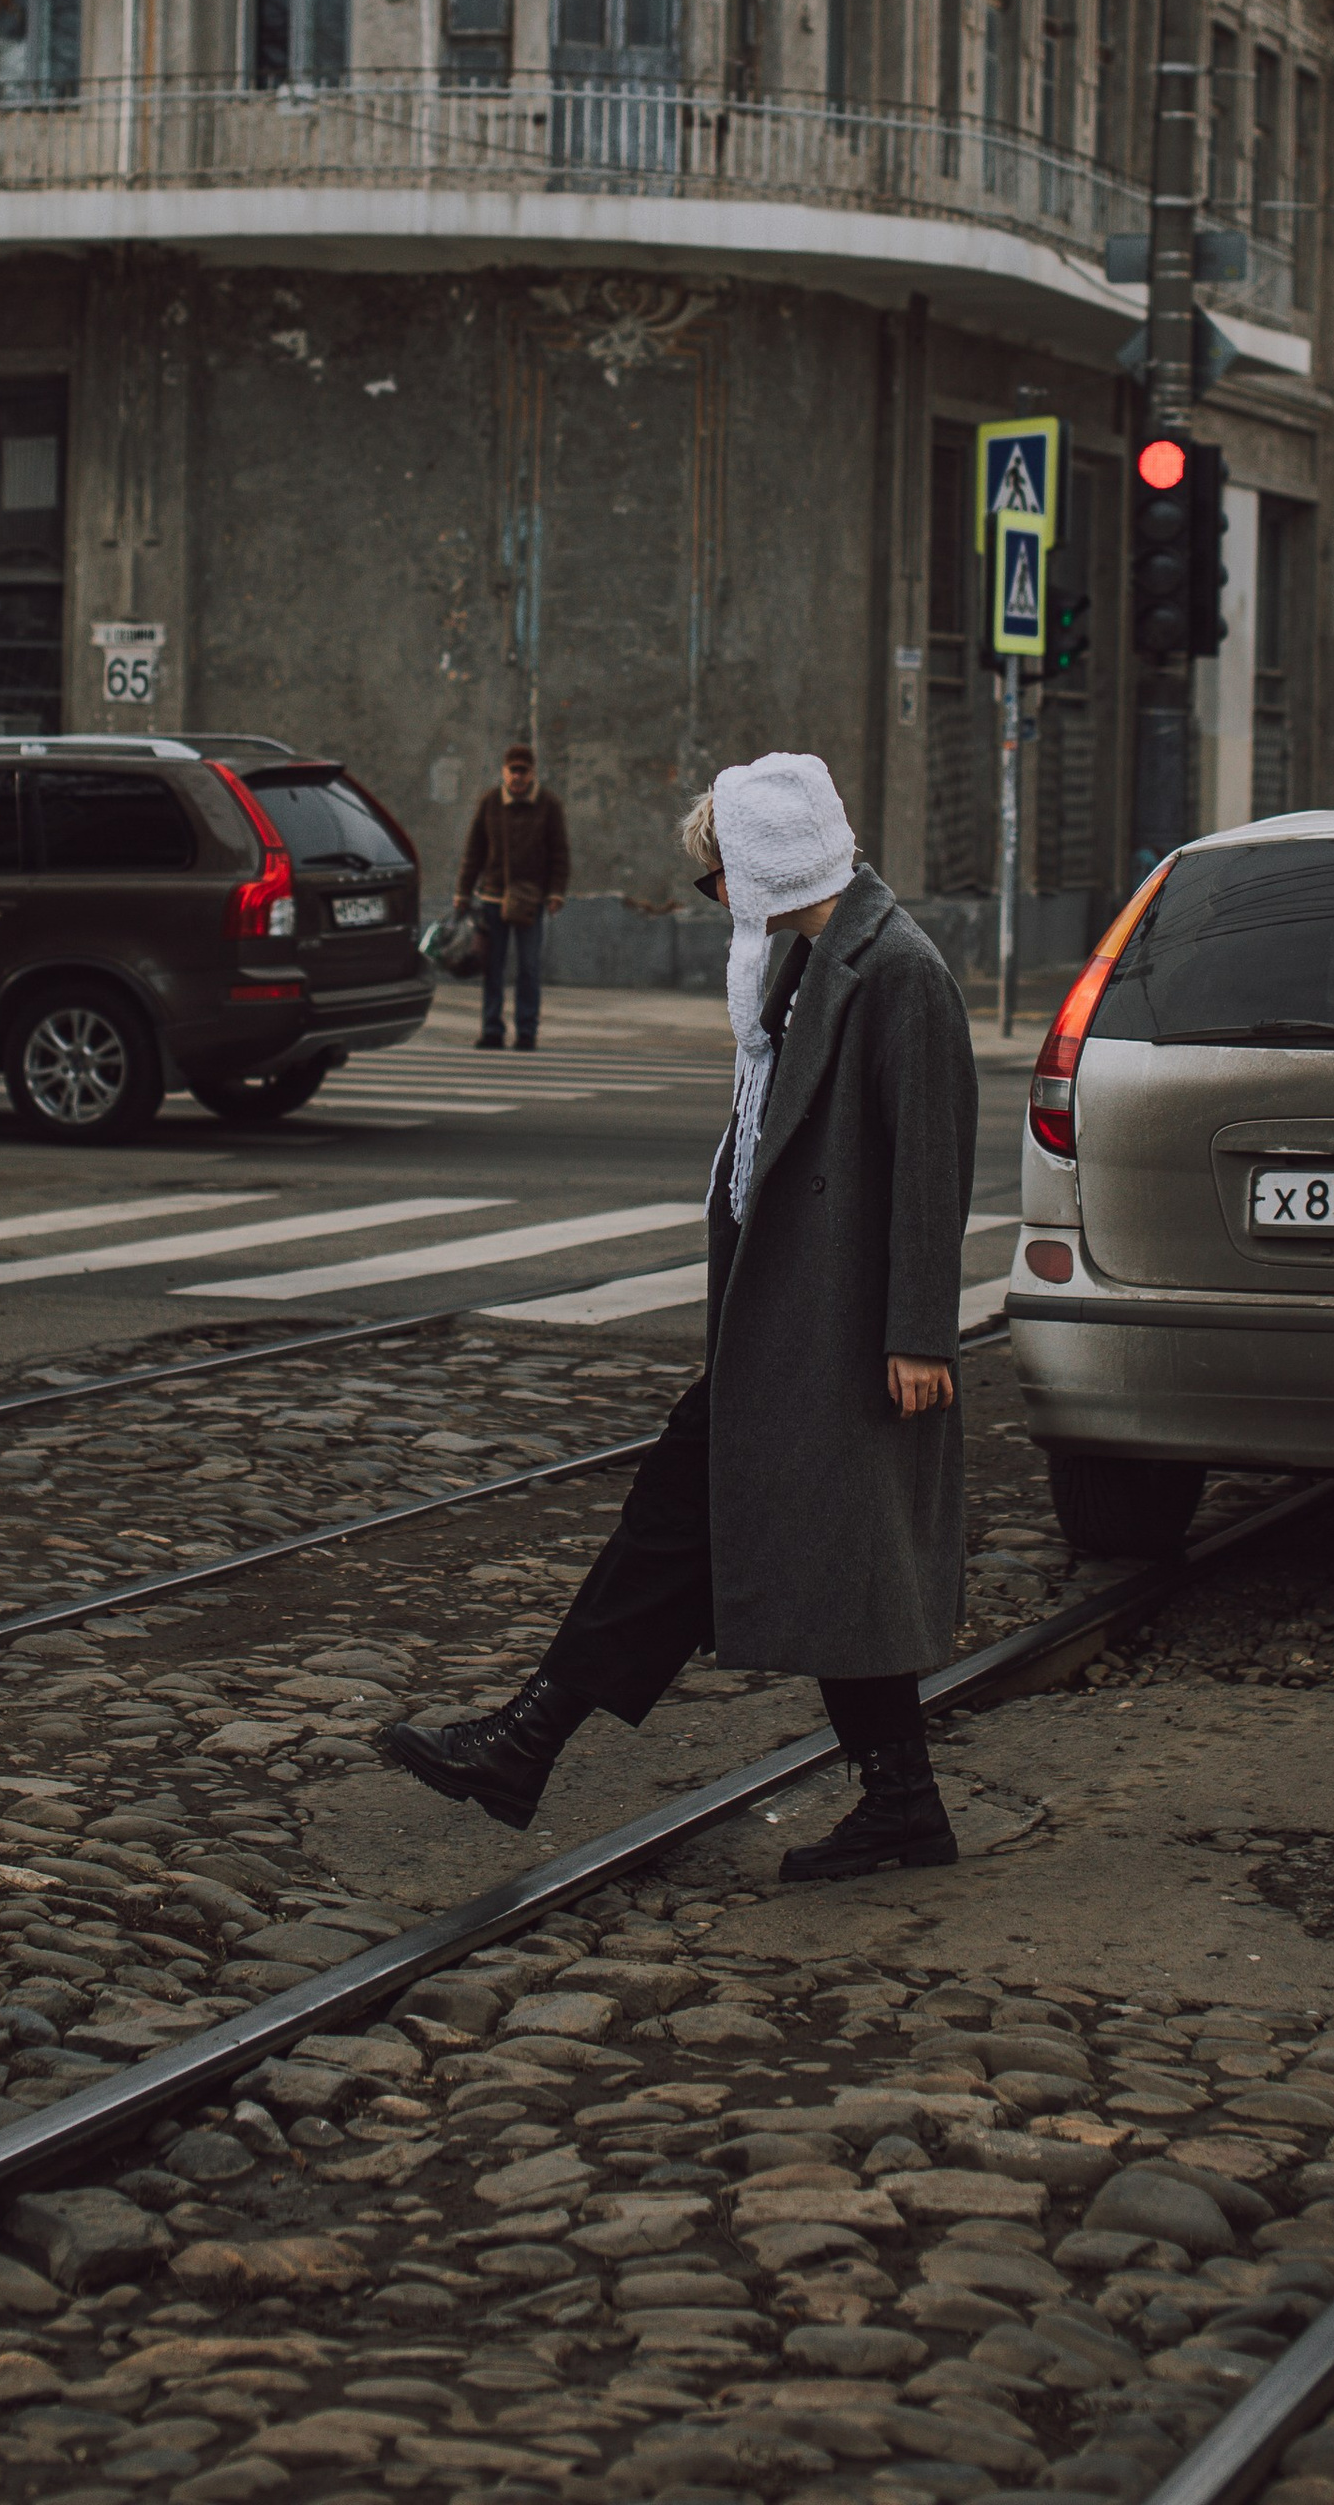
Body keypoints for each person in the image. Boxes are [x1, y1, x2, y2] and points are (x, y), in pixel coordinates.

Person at [392, 748, 976, 1882]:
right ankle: (891, 1800)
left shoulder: (894, 969)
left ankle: (529, 1742)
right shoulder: (806, 962)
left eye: (718, 879)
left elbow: (930, 1161)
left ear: (760, 867)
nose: (717, 901)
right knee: (742, 1535)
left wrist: (919, 1332)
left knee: (751, 1536)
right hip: (788, 1322)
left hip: (843, 1331)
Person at [454, 741, 570, 1052]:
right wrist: (463, 892)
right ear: (504, 772)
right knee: (493, 968)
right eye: (512, 770)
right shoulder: (490, 802)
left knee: (529, 969)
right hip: (492, 899)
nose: (517, 777)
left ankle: (526, 1032)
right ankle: (492, 1030)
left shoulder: (549, 805)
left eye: (523, 771)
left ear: (532, 773)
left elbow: (559, 854)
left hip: (531, 901)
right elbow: (473, 851)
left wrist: (556, 892)